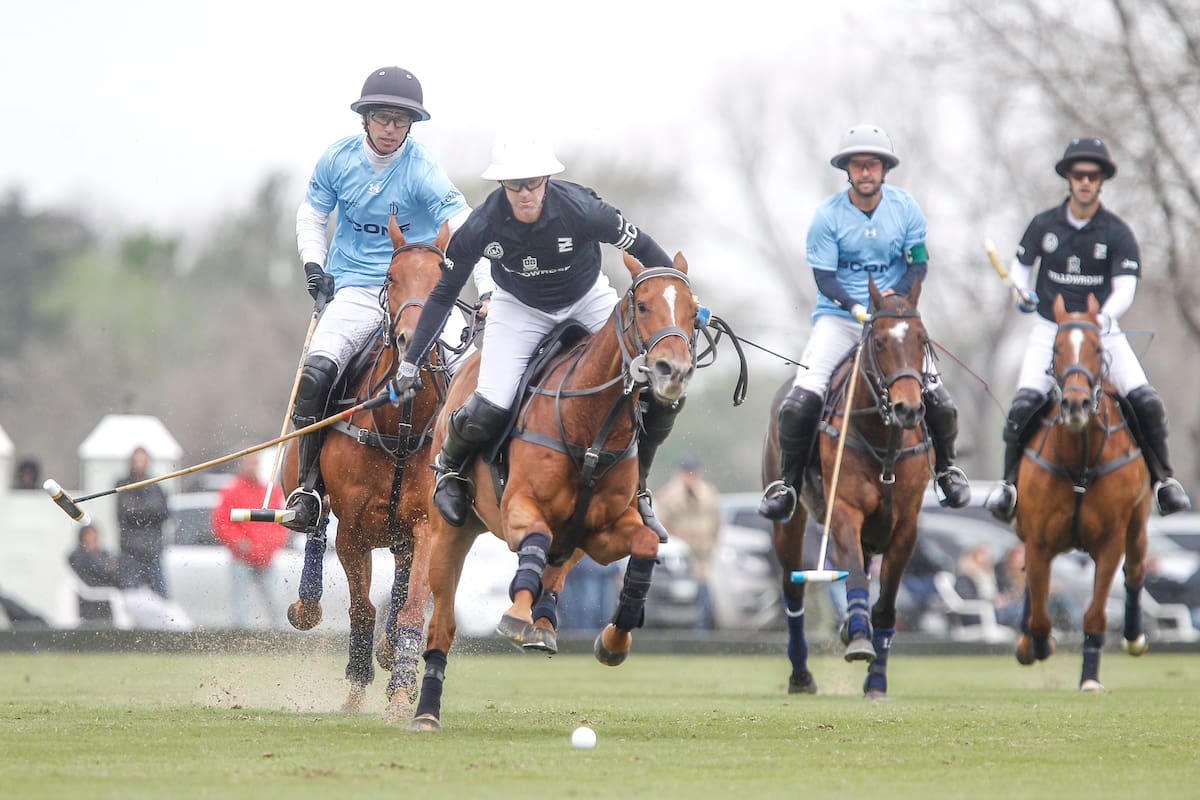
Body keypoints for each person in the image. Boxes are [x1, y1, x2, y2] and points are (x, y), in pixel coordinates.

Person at [388, 128, 684, 543]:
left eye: (532, 183)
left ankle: (639, 489)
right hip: (519, 307)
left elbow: (650, 252)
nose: (524, 193)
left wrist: (679, 295)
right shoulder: (481, 225)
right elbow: (443, 295)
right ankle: (450, 469)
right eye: (514, 185)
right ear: (502, 185)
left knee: (653, 394)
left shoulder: (583, 209)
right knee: (491, 403)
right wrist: (410, 361)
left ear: (546, 180)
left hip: (588, 299)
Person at [284, 65, 496, 533]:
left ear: (411, 125)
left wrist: (487, 289)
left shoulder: (423, 169)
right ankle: (309, 488)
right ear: (366, 118)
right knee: (318, 371)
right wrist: (314, 267)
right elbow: (311, 216)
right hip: (358, 288)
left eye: (400, 120)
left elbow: (466, 227)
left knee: (478, 374)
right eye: (382, 117)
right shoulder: (337, 160)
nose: (390, 128)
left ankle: (469, 479)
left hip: (421, 292)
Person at [759, 124, 971, 522]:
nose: (866, 172)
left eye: (872, 165)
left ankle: (946, 471)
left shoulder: (906, 208)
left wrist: (894, 304)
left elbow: (919, 263)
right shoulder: (827, 216)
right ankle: (788, 484)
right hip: (841, 319)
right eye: (858, 166)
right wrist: (859, 309)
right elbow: (825, 277)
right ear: (848, 171)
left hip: (894, 324)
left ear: (884, 169)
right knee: (802, 398)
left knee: (939, 399)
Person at [984, 137, 1191, 522]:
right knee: (1023, 406)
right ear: (1069, 178)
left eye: (1092, 176)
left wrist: (1105, 317)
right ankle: (1009, 486)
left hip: (1101, 331)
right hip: (1051, 330)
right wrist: (1022, 294)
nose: (1084, 182)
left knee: (1144, 400)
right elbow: (1020, 266)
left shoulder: (1116, 232)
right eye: (1078, 175)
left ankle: (1164, 481)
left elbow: (1126, 285)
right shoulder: (1044, 224)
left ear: (1101, 181)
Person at [211, 453, 290, 629]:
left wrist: (271, 546)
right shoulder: (231, 491)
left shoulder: (270, 491)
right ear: (241, 465)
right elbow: (222, 522)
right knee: (239, 605)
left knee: (276, 602)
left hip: (267, 559)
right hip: (241, 558)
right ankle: (240, 639)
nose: (252, 467)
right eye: (249, 463)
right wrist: (238, 541)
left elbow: (281, 523)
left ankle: (282, 638)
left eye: (255, 463)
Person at [68, 522, 193, 630]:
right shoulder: (80, 556)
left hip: (134, 588)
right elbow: (103, 572)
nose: (94, 538)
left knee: (166, 611)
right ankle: (186, 633)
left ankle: (186, 632)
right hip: (125, 592)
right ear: (82, 538)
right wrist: (105, 562)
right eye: (89, 534)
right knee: (165, 612)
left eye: (95, 534)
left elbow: (120, 565)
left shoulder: (103, 553)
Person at [654, 458, 721, 628]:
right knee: (682, 594)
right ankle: (682, 630)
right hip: (681, 555)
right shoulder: (669, 494)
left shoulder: (708, 492)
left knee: (703, 591)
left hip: (703, 553)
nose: (690, 476)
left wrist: (713, 543)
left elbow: (717, 522)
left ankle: (701, 630)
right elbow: (662, 523)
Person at [115, 445, 170, 596]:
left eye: (143, 460)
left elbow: (163, 513)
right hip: (130, 551)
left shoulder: (155, 486)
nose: (139, 464)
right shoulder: (123, 484)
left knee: (161, 596)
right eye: (137, 460)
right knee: (132, 597)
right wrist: (149, 512)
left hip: (153, 551)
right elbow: (125, 513)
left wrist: (141, 512)